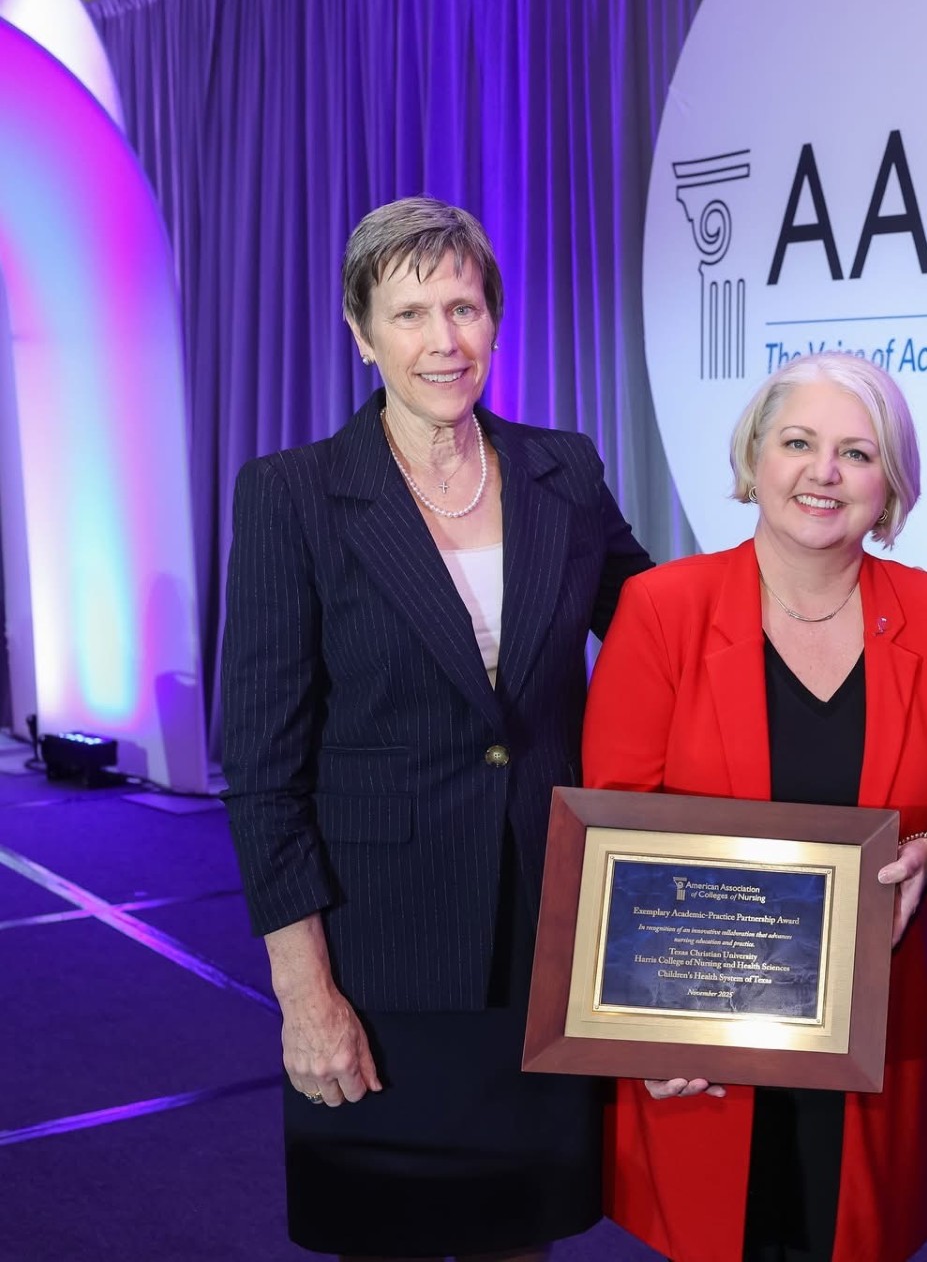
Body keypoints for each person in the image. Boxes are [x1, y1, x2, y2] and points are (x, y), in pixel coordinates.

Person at [220, 196, 654, 1260]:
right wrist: (304, 993)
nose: (443, 340)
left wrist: (808, 568)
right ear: (362, 334)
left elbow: (663, 630)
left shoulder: (564, 471)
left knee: (520, 1234)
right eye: (409, 314)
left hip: (543, 929)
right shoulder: (295, 495)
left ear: (494, 320)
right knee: (391, 1238)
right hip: (380, 952)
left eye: (463, 307)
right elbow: (264, 771)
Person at [582, 352, 927, 1262]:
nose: (824, 472)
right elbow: (612, 838)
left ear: (890, 484)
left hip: (879, 1038)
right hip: (702, 1036)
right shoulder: (662, 609)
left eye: (858, 453)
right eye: (799, 443)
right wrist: (643, 1029)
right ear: (753, 458)